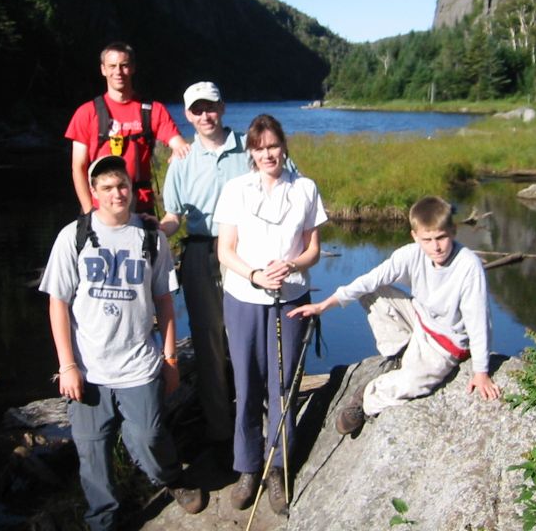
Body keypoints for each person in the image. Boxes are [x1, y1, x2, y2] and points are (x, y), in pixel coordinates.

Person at [39, 155, 205, 530]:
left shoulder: (150, 237)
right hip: (88, 369)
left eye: (123, 186)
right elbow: (58, 304)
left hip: (138, 365)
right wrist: (67, 366)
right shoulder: (74, 236)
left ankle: (170, 478)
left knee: (149, 435)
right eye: (108, 188)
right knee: (93, 452)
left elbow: (164, 300)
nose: (118, 193)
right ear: (94, 193)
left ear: (132, 189)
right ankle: (103, 519)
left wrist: (171, 358)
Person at [288, 195, 501, 437]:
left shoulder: (468, 266)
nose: (436, 247)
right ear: (415, 236)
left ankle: (367, 397)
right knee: (371, 291)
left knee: (411, 384)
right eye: (427, 240)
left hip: (446, 344)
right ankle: (400, 352)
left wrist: (481, 372)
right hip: (419, 321)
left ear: (452, 231)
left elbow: (479, 323)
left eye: (441, 238)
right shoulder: (410, 254)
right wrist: (324, 305)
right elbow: (372, 279)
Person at [213, 114, 327, 516]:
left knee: (282, 387)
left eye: (273, 146)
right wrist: (256, 274)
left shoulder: (306, 188)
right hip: (243, 297)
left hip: (291, 298)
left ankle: (277, 468)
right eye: (259, 148)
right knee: (246, 384)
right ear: (250, 152)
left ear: (284, 147)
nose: (267, 154)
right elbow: (225, 250)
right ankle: (247, 467)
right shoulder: (235, 189)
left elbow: (313, 249)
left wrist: (292, 266)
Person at [158, 81, 250, 457]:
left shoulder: (249, 147)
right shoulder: (182, 159)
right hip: (198, 253)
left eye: (210, 107)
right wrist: (150, 233)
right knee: (209, 343)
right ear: (188, 116)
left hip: (245, 253)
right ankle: (219, 430)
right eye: (197, 110)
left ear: (223, 108)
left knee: (246, 338)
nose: (205, 115)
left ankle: (251, 426)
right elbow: (173, 216)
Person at [65, 41, 189, 215]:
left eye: (124, 66)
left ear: (132, 68)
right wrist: (88, 211)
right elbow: (78, 167)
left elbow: (180, 145)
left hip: (141, 208)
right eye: (112, 66)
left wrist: (178, 151)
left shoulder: (153, 110)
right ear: (103, 69)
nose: (118, 72)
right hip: (101, 210)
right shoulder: (86, 113)